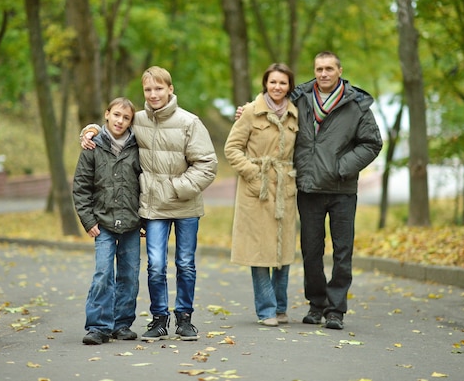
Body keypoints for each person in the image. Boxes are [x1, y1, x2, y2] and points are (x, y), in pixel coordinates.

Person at [236, 51, 382, 330]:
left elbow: (372, 144)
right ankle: (316, 305)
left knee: (342, 250)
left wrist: (341, 167)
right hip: (307, 187)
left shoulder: (357, 105)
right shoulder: (300, 98)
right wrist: (245, 110)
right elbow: (270, 103)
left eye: (329, 68)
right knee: (311, 250)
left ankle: (336, 309)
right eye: (319, 69)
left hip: (342, 188)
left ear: (340, 70)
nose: (323, 73)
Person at [80, 66, 218, 341]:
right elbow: (112, 130)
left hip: (186, 205)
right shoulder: (138, 120)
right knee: (155, 264)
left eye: (159, 88)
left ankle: (185, 319)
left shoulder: (190, 122)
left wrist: (175, 187)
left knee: (186, 263)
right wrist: (90, 130)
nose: (153, 94)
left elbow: (208, 164)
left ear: (170, 89)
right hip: (154, 209)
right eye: (148, 89)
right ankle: (159, 319)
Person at [224, 63, 298, 327]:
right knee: (259, 252)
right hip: (256, 190)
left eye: (283, 83)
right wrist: (252, 174)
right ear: (265, 84)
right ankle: (266, 310)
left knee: (283, 251)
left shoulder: (295, 114)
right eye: (273, 82)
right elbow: (231, 148)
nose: (277, 87)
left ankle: (280, 307)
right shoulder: (251, 113)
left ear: (290, 86)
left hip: (285, 189)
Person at [73, 97, 142, 345]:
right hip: (102, 223)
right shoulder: (92, 147)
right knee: (103, 273)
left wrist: (143, 218)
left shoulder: (137, 147)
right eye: (116, 115)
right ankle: (98, 326)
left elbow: (145, 184)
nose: (120, 121)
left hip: (132, 224)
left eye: (126, 118)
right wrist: (87, 219)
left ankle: (122, 324)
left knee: (129, 275)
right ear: (106, 115)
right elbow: (81, 187)